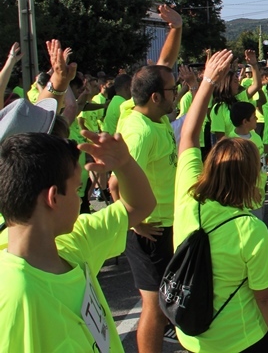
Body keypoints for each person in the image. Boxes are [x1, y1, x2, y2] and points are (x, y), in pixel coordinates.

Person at [172, 49, 268, 352]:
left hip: (191, 336)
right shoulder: (250, 230)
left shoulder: (188, 197)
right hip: (240, 338)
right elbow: (266, 298)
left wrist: (207, 81)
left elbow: (188, 136)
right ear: (251, 177)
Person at [0, 125, 156, 352]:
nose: (79, 199)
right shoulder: (15, 298)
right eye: (77, 190)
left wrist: (125, 164)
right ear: (53, 197)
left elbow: (140, 206)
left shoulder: (72, 241)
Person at [115, 5, 183, 352]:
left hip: (168, 224)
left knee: (169, 301)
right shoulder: (139, 133)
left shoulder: (141, 109)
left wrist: (176, 28)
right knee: (154, 309)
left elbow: (163, 68)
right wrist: (133, 224)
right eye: (173, 91)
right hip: (150, 231)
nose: (177, 93)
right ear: (157, 97)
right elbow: (115, 184)